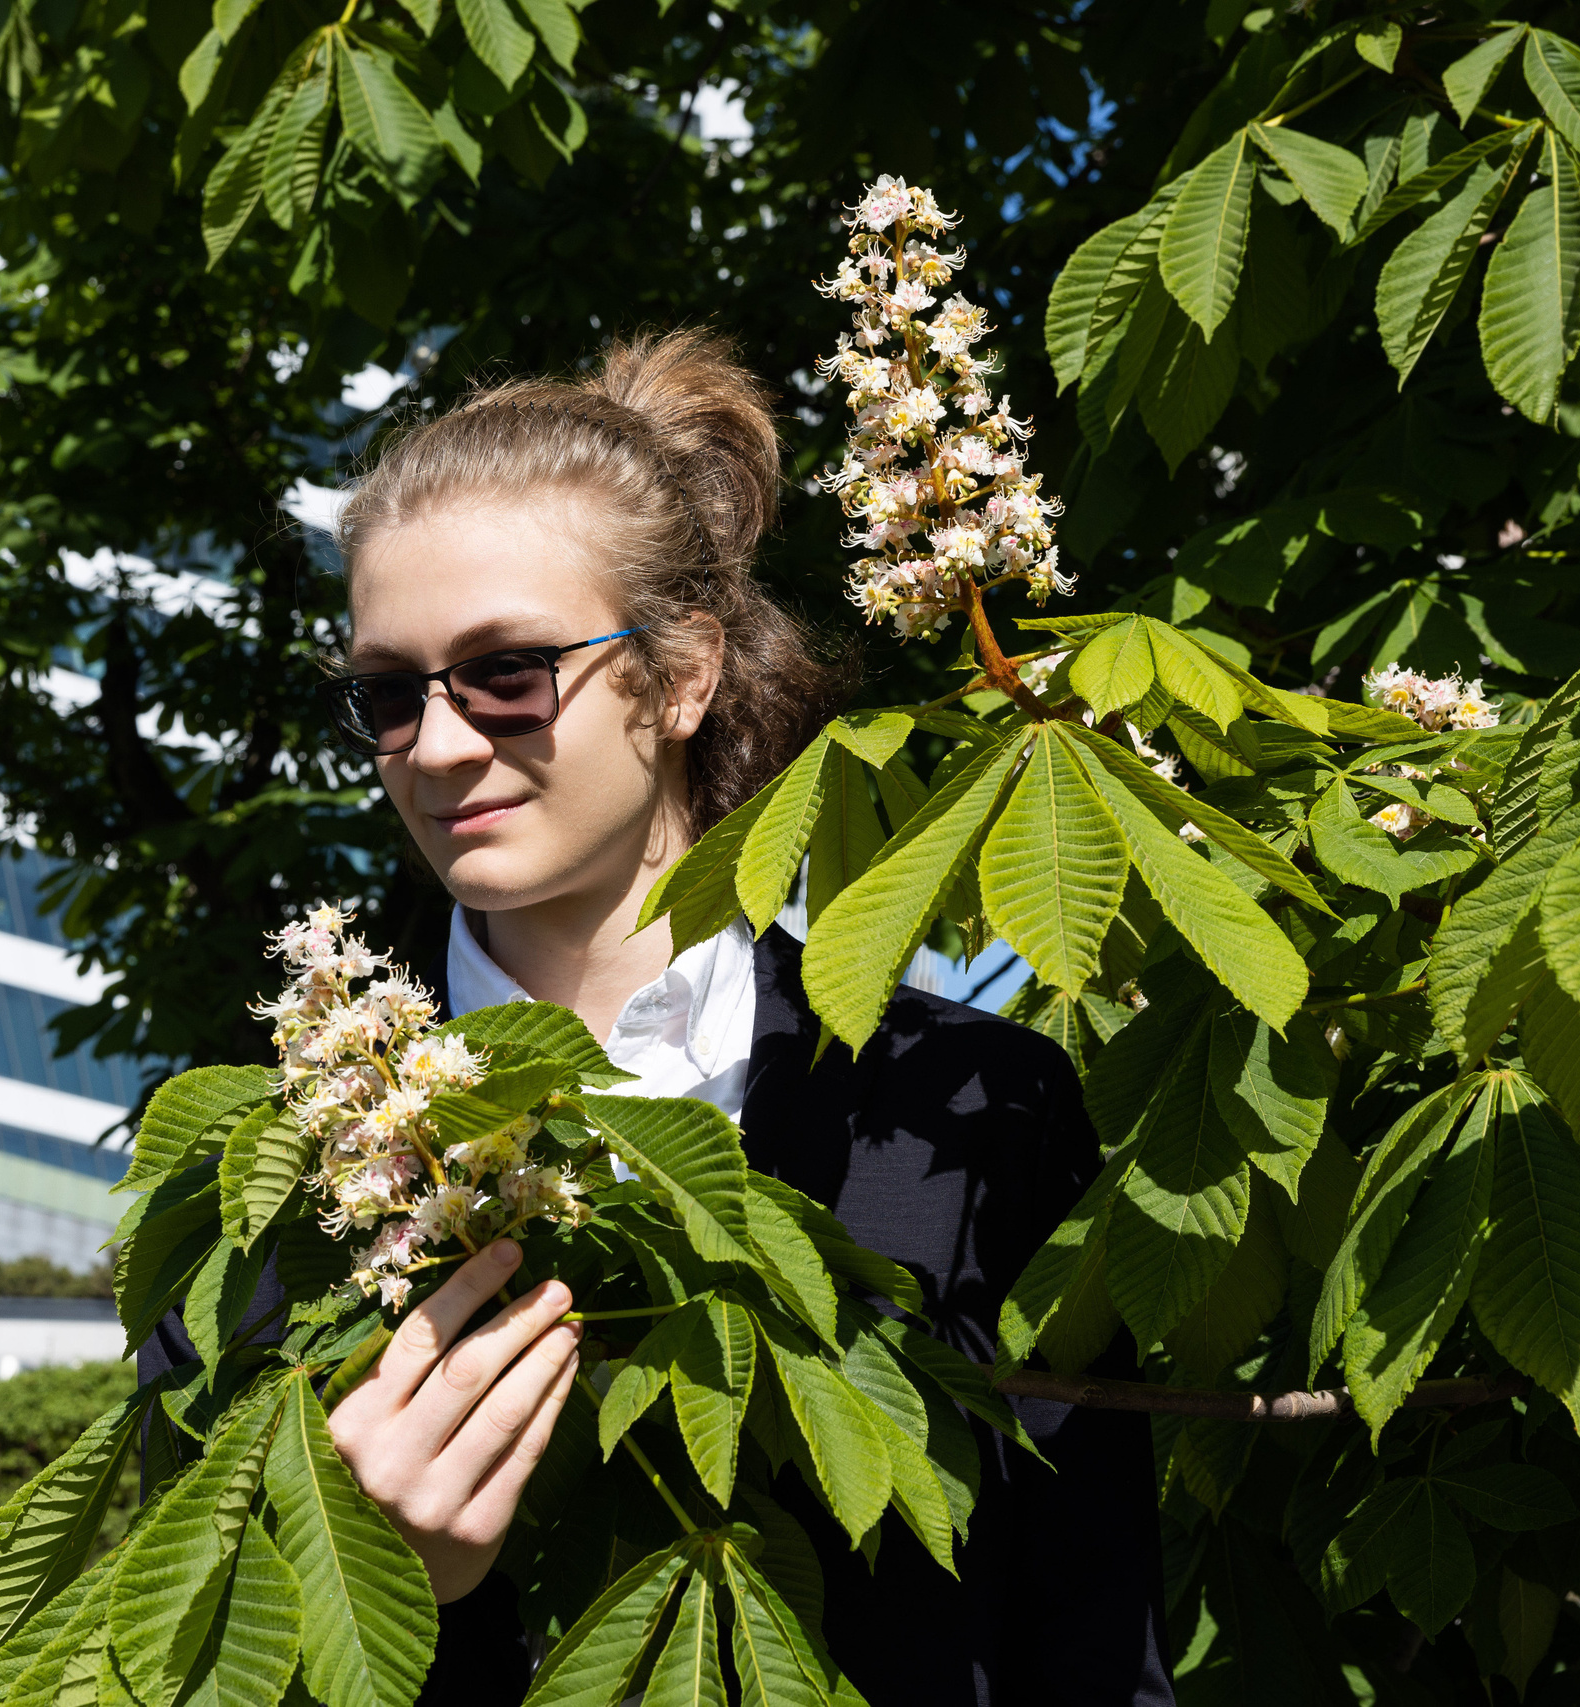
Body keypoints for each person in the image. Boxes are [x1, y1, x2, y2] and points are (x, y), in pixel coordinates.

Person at [141, 329, 1173, 1705]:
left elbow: (1101, 1655)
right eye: (389, 693)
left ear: (682, 675)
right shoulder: (256, 1207)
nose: (438, 746)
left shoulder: (972, 1111)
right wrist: (399, 1592)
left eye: (509, 672)